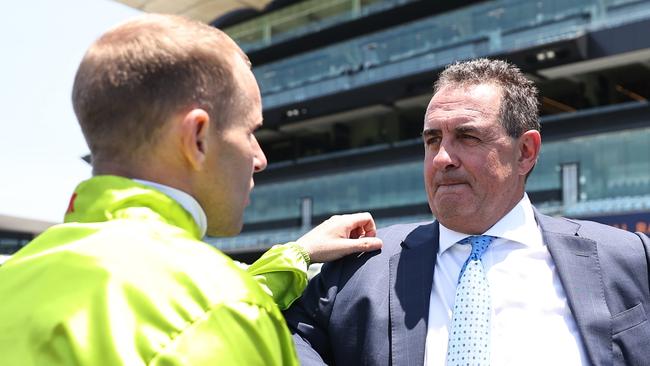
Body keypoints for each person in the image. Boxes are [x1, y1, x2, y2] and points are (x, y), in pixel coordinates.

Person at [0, 14, 382, 365]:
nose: (260, 158)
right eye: (249, 132)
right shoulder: (225, 308)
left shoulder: (15, 280)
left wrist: (299, 253)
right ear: (197, 137)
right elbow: (202, 311)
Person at [284, 58, 650, 366]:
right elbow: (277, 332)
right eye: (432, 140)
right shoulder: (362, 267)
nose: (442, 158)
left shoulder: (627, 257)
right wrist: (294, 255)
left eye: (468, 137)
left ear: (525, 152)